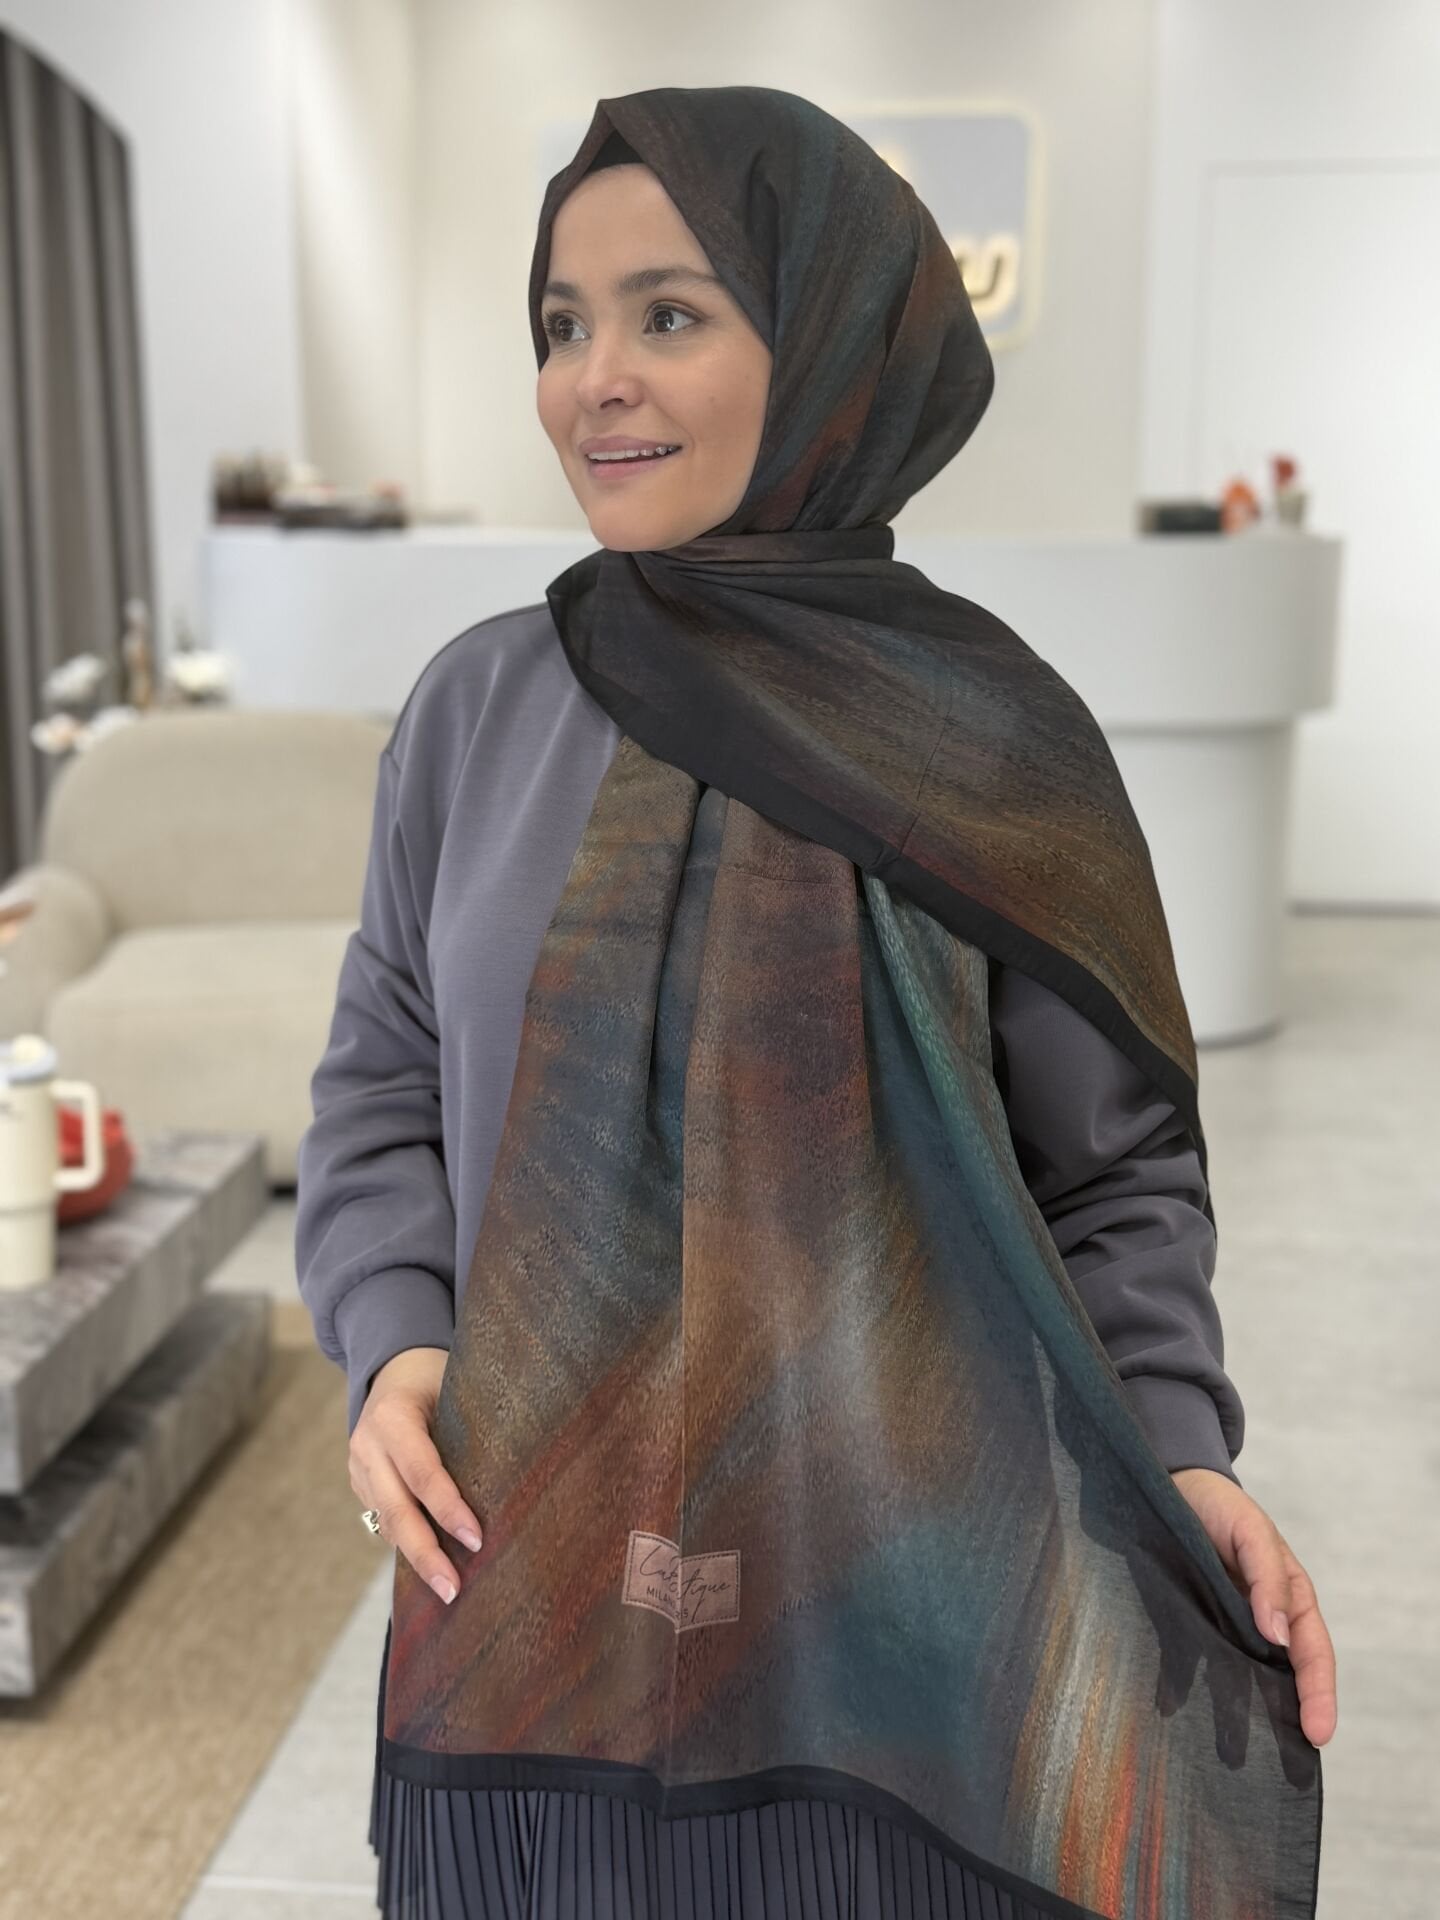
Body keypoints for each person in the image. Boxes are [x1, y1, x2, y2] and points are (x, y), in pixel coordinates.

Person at [296, 87, 1335, 1920]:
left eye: (669, 313)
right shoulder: (476, 710)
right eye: (561, 323)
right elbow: (385, 1068)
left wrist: (1178, 1445)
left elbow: (1114, 1177)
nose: (596, 380)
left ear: (837, 341)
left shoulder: (995, 745)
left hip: (901, 1646)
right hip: (527, 1606)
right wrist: (393, 1338)